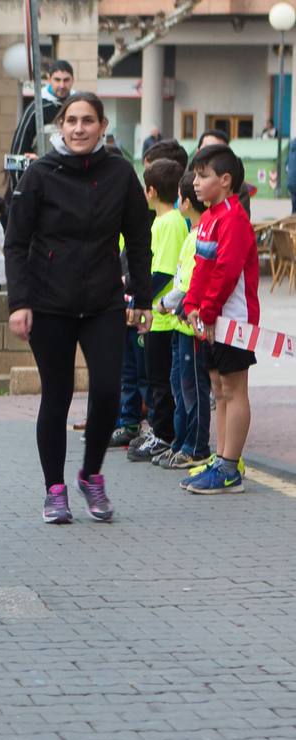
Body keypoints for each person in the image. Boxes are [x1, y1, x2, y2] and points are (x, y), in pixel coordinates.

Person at [4, 92, 153, 524]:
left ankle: (90, 474)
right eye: (71, 120)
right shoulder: (40, 174)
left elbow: (139, 240)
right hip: (49, 302)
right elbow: (15, 243)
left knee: (107, 392)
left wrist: (142, 298)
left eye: (88, 120)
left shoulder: (121, 174)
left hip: (103, 300)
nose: (79, 128)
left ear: (103, 127)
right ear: (60, 127)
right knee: (58, 394)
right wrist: (20, 302)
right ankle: (54, 489)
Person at [178, 143, 260, 495]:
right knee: (218, 388)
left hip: (234, 319)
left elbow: (227, 272)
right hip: (209, 319)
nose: (195, 182)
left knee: (234, 388)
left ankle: (230, 467)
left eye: (203, 175)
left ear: (225, 180)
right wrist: (192, 306)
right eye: (196, 175)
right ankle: (223, 458)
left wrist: (207, 310)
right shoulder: (210, 218)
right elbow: (202, 267)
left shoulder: (234, 218)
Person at [128, 159, 187, 464]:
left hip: (161, 318)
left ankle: (163, 435)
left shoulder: (168, 223)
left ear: (150, 191)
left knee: (159, 383)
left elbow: (162, 272)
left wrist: (137, 298)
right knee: (155, 380)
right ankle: (162, 432)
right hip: (158, 317)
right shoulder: (167, 221)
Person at [155, 166, 214, 471]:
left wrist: (164, 304)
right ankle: (182, 442)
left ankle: (197, 446)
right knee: (179, 386)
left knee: (192, 389)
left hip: (190, 328)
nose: (178, 203)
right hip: (180, 327)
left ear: (187, 203)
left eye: (180, 198)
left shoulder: (197, 237)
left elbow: (187, 286)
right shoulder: (192, 234)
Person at [12, 60, 73, 163]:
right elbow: (17, 153)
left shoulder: (77, 105)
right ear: (49, 80)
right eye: (57, 80)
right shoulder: (37, 109)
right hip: (42, 173)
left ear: (72, 80)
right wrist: (19, 177)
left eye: (66, 80)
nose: (62, 85)